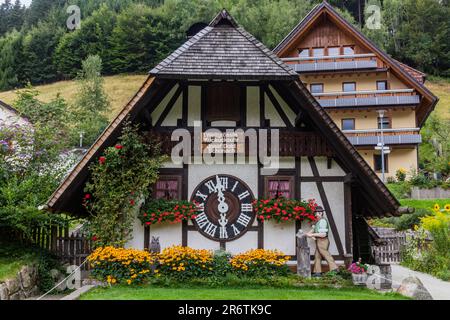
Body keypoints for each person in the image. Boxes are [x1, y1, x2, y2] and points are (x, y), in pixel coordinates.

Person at [305, 206, 338, 277]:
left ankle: (334, 268)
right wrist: (308, 234)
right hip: (319, 241)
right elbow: (313, 230)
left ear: (321, 213)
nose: (316, 215)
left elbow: (323, 234)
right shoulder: (318, 222)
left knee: (325, 254)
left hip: (323, 240)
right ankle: (317, 272)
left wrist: (312, 235)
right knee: (317, 256)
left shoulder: (322, 221)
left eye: (318, 213)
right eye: (316, 213)